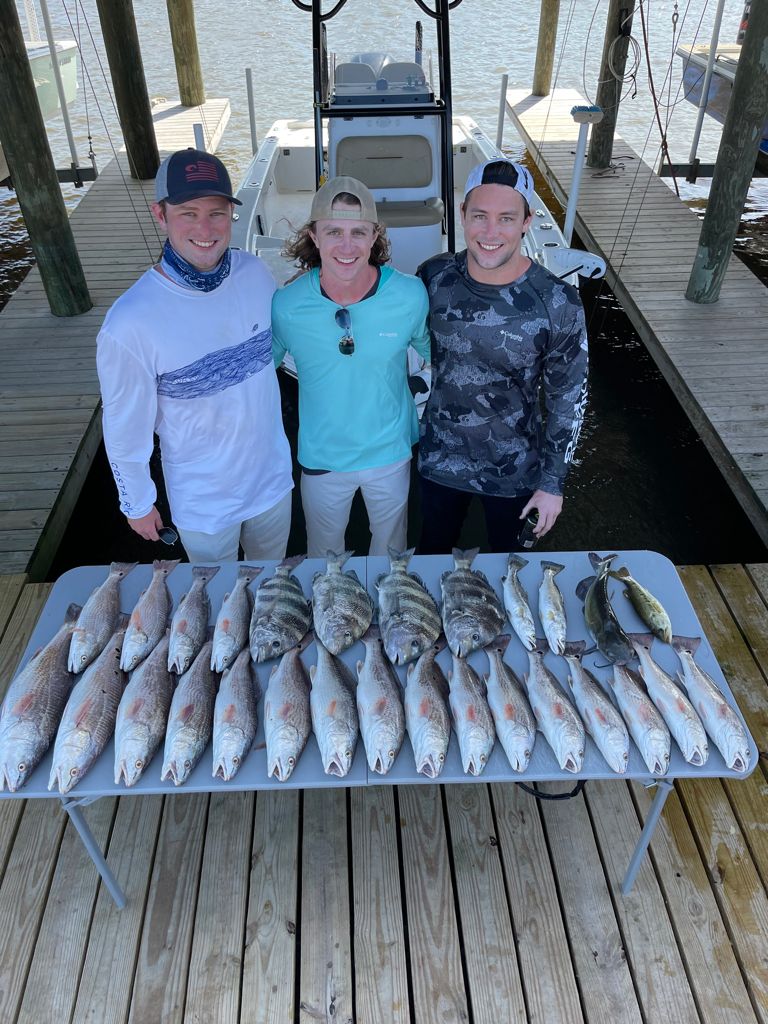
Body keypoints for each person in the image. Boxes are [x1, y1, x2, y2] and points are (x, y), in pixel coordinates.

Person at [96, 148, 293, 562]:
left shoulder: (256, 274)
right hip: (204, 506)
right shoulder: (128, 324)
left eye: (217, 212)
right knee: (215, 604)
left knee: (273, 589)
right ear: (160, 214)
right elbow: (123, 427)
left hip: (273, 484)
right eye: (188, 213)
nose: (205, 227)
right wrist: (136, 502)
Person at [417, 158, 588, 553]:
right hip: (439, 461)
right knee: (431, 560)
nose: (490, 232)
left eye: (507, 218)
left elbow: (569, 399)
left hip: (516, 473)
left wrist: (552, 484)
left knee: (514, 573)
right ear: (462, 215)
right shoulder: (432, 277)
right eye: (480, 215)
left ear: (527, 221)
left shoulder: (558, 301)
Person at [272, 176, 430, 557]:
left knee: (391, 555)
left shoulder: (410, 294)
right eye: (333, 232)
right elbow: (256, 377)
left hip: (391, 453)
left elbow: (435, 353)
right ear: (314, 236)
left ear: (375, 236)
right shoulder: (286, 304)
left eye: (359, 232)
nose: (347, 246)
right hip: (322, 457)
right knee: (323, 557)